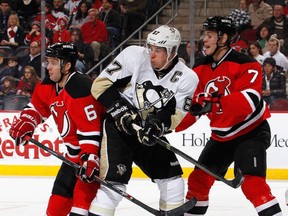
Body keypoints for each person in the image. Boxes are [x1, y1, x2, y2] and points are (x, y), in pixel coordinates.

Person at [175, 16, 283, 216]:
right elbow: (193, 109)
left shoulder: (246, 64)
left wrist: (212, 103)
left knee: (253, 184)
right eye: (203, 35)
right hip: (222, 137)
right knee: (198, 181)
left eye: (209, 35)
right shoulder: (198, 69)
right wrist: (167, 126)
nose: (203, 40)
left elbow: (249, 101)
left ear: (223, 38)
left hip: (251, 131)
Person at [89, 25, 199, 215]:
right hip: (118, 127)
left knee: (173, 181)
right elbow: (100, 85)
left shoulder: (188, 77)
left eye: (158, 50)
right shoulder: (133, 55)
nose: (152, 54)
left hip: (146, 131)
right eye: (150, 48)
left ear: (172, 52)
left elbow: (174, 115)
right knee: (114, 186)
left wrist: (157, 126)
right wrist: (121, 111)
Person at [9, 42, 106, 216]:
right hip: (72, 157)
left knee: (80, 210)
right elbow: (37, 108)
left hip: (92, 158)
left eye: (54, 63)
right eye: (48, 62)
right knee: (55, 209)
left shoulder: (81, 88)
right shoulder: (47, 85)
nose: (49, 67)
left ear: (67, 66)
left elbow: (91, 131)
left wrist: (90, 157)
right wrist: (27, 122)